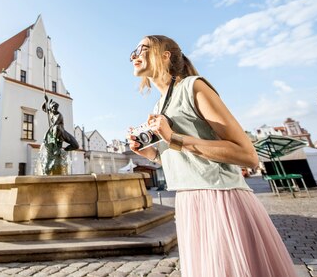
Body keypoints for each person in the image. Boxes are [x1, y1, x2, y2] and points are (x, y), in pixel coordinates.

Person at [127, 35, 296, 277]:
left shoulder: (193, 86)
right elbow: (183, 159)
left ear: (165, 55)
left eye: (141, 49)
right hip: (187, 201)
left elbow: (248, 155)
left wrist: (174, 137)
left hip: (219, 197)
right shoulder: (158, 106)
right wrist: (150, 153)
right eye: (133, 52)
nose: (134, 55)